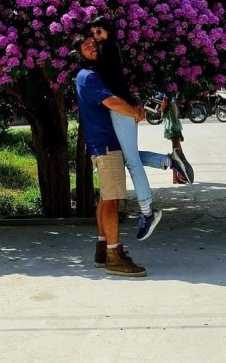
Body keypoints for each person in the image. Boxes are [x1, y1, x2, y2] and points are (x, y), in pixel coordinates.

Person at [87, 17, 188, 236]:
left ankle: (147, 211)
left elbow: (108, 81)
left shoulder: (107, 49)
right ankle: (169, 161)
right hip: (123, 107)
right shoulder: (112, 50)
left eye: (98, 31)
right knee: (124, 156)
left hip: (119, 109)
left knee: (131, 161)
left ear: (108, 31)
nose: (95, 37)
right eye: (93, 33)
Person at [73, 33, 147, 276]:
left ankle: (103, 248)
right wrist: (135, 112)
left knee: (106, 198)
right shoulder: (88, 77)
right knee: (113, 200)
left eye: (94, 45)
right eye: (87, 46)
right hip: (106, 144)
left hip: (103, 144)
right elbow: (112, 102)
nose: (93, 48)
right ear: (78, 53)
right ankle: (114, 256)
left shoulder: (91, 76)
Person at [160, 93, 194, 184]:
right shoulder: (172, 105)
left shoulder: (168, 105)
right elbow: (175, 122)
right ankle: (176, 177)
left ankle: (178, 176)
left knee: (177, 155)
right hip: (174, 131)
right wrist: (179, 133)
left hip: (172, 131)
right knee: (177, 156)